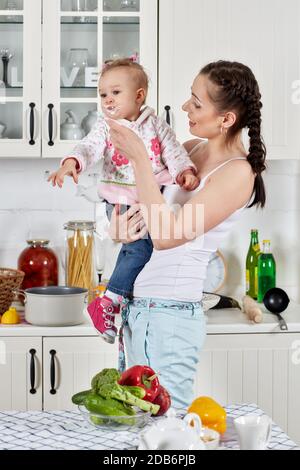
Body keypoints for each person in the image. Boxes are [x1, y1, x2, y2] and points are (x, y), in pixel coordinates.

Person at [106, 60, 266, 409]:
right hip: (139, 311)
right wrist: (120, 228)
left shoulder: (238, 173)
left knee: (169, 427)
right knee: (138, 427)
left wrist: (141, 161)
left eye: (196, 102)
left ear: (226, 119)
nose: (184, 108)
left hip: (171, 317)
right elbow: (147, 210)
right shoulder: (190, 151)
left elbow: (167, 236)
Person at [48, 58, 199, 344]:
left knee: (139, 251)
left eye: (115, 93)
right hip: (121, 198)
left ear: (139, 95)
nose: (107, 100)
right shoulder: (107, 128)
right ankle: (108, 302)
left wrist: (185, 172)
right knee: (140, 250)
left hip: (151, 200)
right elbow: (87, 147)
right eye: (103, 94)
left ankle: (117, 300)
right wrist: (72, 162)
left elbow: (175, 151)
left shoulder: (157, 125)